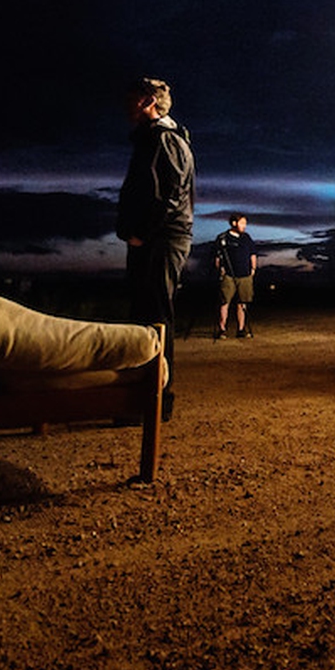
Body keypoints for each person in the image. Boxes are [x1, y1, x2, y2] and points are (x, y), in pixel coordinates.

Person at [117, 77, 195, 421]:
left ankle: (157, 400)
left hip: (162, 239)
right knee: (144, 315)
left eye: (133, 97)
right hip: (155, 238)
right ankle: (143, 398)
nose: (126, 103)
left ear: (149, 101)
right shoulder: (153, 138)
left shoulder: (166, 139)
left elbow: (171, 194)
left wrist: (142, 233)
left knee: (155, 316)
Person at [213, 213, 258, 339]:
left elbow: (253, 254)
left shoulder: (246, 238)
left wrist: (253, 268)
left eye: (245, 223)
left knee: (242, 302)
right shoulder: (223, 238)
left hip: (245, 275)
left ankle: (241, 329)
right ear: (234, 223)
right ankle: (222, 329)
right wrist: (220, 269)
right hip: (228, 275)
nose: (244, 226)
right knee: (225, 301)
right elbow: (217, 256)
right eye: (242, 223)